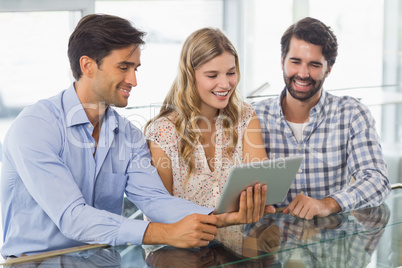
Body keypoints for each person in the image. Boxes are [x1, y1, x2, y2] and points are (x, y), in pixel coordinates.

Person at [0, 14, 270, 258]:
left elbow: (155, 199)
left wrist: (218, 217)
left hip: (101, 260)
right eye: (124, 67)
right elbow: (73, 217)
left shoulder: (127, 135)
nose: (134, 80)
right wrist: (163, 233)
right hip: (36, 262)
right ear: (88, 66)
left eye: (136, 69)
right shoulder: (36, 126)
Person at [253, 17, 391, 220]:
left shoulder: (352, 114)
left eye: (314, 65)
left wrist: (329, 204)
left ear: (329, 69)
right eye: (295, 61)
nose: (303, 73)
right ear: (282, 61)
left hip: (330, 243)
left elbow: (377, 181)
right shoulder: (254, 117)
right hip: (270, 246)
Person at [144, 28, 271, 210]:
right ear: (189, 76)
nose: (225, 84)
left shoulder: (245, 117)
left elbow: (262, 187)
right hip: (184, 239)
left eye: (230, 73)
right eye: (212, 75)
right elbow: (158, 213)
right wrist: (230, 219)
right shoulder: (163, 132)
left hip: (238, 239)